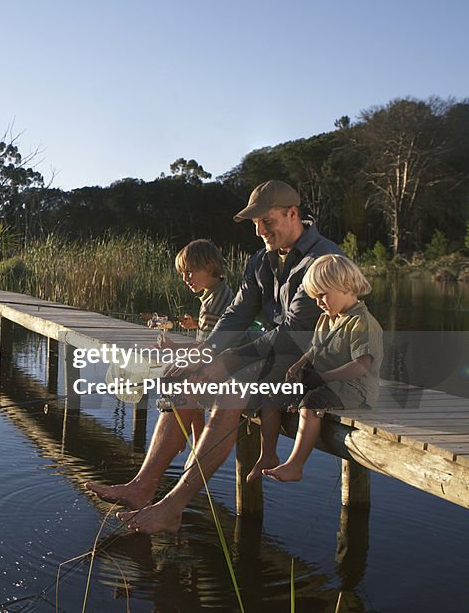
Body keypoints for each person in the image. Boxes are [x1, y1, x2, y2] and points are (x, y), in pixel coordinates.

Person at [85, 180, 343, 534]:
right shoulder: (261, 261)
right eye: (255, 224)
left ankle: (172, 507)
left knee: (231, 387)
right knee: (181, 380)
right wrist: (205, 354)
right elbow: (236, 316)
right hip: (270, 354)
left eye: (267, 221)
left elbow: (292, 336)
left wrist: (225, 362)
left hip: (314, 362)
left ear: (293, 214)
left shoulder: (323, 260)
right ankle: (141, 487)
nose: (260, 230)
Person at [259, 254, 382, 482]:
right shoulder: (327, 318)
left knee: (311, 404)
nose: (318, 302)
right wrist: (298, 366)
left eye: (322, 295)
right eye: (314, 297)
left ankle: (295, 466)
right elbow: (314, 349)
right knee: (273, 394)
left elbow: (362, 365)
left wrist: (323, 377)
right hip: (325, 381)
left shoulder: (362, 323)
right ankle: (267, 455)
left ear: (345, 286)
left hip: (355, 389)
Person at [160, 239, 234, 348]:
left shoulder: (210, 307)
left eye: (189, 272)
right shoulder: (224, 291)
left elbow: (205, 348)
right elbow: (219, 327)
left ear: (209, 269)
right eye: (182, 273)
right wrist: (197, 323)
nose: (184, 279)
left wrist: (172, 346)